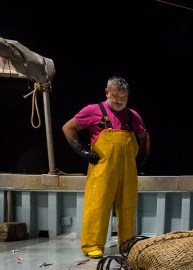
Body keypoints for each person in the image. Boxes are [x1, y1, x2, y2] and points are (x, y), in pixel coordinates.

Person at [62, 76, 150, 258]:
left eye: (123, 98)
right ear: (107, 92)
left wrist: (142, 156)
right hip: (102, 168)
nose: (119, 101)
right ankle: (92, 245)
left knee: (128, 205)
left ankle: (127, 244)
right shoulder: (93, 110)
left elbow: (144, 137)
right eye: (116, 97)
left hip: (127, 169)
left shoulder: (133, 116)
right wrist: (83, 152)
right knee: (97, 205)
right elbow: (68, 128)